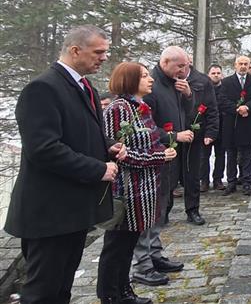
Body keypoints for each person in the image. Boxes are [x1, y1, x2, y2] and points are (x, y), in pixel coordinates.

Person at [5, 25, 124, 304]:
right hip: (49, 213)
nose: (104, 57)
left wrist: (108, 146)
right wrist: (99, 169)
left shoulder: (86, 87)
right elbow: (44, 149)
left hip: (73, 210)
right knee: (42, 292)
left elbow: (82, 133)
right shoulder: (42, 88)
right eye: (98, 52)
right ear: (74, 50)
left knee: (62, 288)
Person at [98, 62, 177, 304]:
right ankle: (111, 295)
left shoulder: (140, 107)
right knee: (116, 245)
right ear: (130, 81)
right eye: (144, 76)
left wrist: (162, 148)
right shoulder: (118, 109)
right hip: (126, 189)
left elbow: (147, 141)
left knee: (129, 242)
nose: (150, 79)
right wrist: (158, 156)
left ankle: (124, 290)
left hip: (144, 188)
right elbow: (118, 152)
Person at [132, 46, 194, 287]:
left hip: (169, 158)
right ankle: (143, 264)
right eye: (180, 66)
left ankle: (155, 254)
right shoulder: (150, 87)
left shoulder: (175, 84)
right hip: (153, 159)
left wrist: (188, 96)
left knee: (159, 211)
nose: (184, 71)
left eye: (187, 66)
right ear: (166, 62)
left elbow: (185, 115)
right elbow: (144, 129)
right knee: (148, 214)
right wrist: (174, 137)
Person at [218, 55, 251, 196]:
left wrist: (247, 107)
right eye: (240, 63)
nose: (243, 66)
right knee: (231, 154)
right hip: (231, 123)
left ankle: (247, 182)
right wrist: (237, 109)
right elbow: (222, 100)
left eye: (246, 64)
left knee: (248, 155)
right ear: (235, 65)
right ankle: (231, 182)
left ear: (249, 66)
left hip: (249, 123)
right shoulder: (226, 82)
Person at [183, 59, 219, 224]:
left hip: (195, 133)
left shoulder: (203, 80)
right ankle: (164, 210)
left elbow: (211, 107)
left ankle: (192, 210)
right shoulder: (164, 78)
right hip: (171, 135)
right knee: (169, 176)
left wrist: (211, 131)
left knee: (193, 175)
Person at [201, 64, 226, 191]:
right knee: (204, 156)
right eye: (213, 73)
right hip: (206, 126)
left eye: (218, 73)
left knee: (220, 155)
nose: (216, 75)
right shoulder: (203, 88)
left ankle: (218, 179)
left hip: (222, 126)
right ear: (208, 75)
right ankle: (204, 180)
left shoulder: (225, 88)